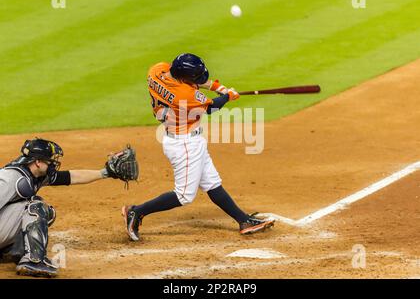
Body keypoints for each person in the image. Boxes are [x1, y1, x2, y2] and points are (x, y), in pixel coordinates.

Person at [122, 53, 274, 241]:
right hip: (184, 144)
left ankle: (244, 221)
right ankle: (136, 212)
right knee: (184, 195)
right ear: (184, 78)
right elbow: (211, 107)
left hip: (183, 138)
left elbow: (195, 83)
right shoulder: (184, 95)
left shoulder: (157, 70)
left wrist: (218, 87)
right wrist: (227, 96)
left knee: (212, 183)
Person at [0, 138, 134, 277]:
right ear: (38, 162)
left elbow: (71, 177)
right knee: (36, 208)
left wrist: (105, 172)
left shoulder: (35, 174)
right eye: (50, 161)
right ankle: (33, 261)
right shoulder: (11, 178)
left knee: (47, 213)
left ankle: (7, 250)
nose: (53, 165)